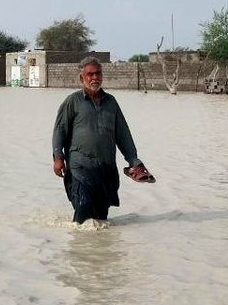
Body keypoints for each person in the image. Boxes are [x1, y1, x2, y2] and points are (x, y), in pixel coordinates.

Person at [52, 57, 154, 224]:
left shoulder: (111, 102)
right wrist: (58, 158)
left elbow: (123, 135)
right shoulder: (73, 102)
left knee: (100, 217)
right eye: (90, 74)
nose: (94, 78)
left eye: (97, 73)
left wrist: (134, 161)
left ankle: (99, 249)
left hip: (105, 169)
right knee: (83, 209)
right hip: (80, 167)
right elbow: (59, 130)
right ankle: (77, 248)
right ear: (81, 78)